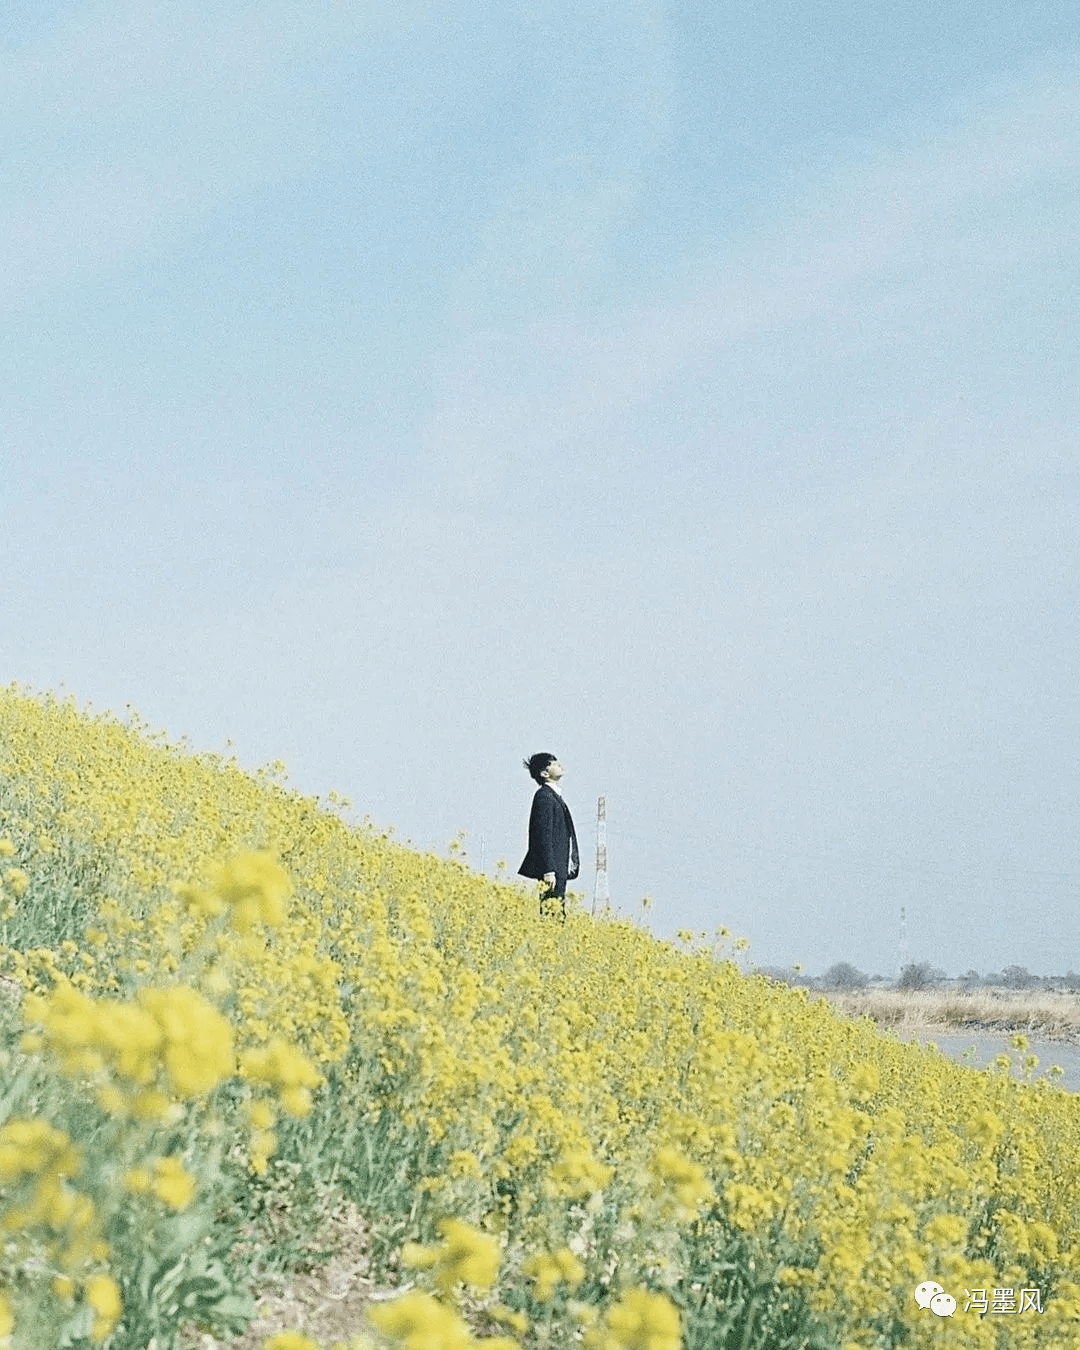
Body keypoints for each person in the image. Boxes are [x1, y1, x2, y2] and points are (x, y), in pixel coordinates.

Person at [518, 753, 579, 922]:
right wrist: (548, 870)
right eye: (554, 764)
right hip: (552, 869)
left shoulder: (553, 796)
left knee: (557, 912)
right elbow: (542, 835)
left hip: (558, 867)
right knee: (552, 913)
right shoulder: (544, 797)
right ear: (544, 773)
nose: (560, 765)